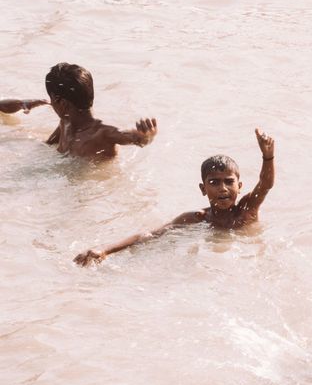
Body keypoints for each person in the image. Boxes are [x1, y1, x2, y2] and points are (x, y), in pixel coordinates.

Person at [74, 129, 274, 265]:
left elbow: (265, 185)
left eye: (229, 182)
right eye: (214, 182)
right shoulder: (197, 218)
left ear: (239, 187)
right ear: (203, 189)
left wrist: (268, 157)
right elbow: (150, 235)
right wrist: (105, 250)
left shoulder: (247, 209)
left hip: (245, 258)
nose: (223, 188)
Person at [4, 63, 156, 159]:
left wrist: (146, 136)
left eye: (51, 99)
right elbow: (47, 145)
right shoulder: (65, 120)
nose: (50, 103)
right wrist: (23, 103)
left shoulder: (102, 133)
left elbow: (133, 139)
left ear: (60, 102)